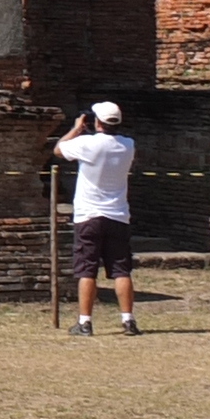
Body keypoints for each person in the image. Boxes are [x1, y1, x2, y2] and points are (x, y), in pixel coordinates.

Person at [55, 100, 139, 336]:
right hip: (118, 214)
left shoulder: (87, 143)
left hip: (89, 215)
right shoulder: (128, 145)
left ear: (97, 121)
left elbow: (59, 150)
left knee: (87, 270)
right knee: (121, 270)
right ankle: (128, 320)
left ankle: (85, 321)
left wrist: (76, 128)